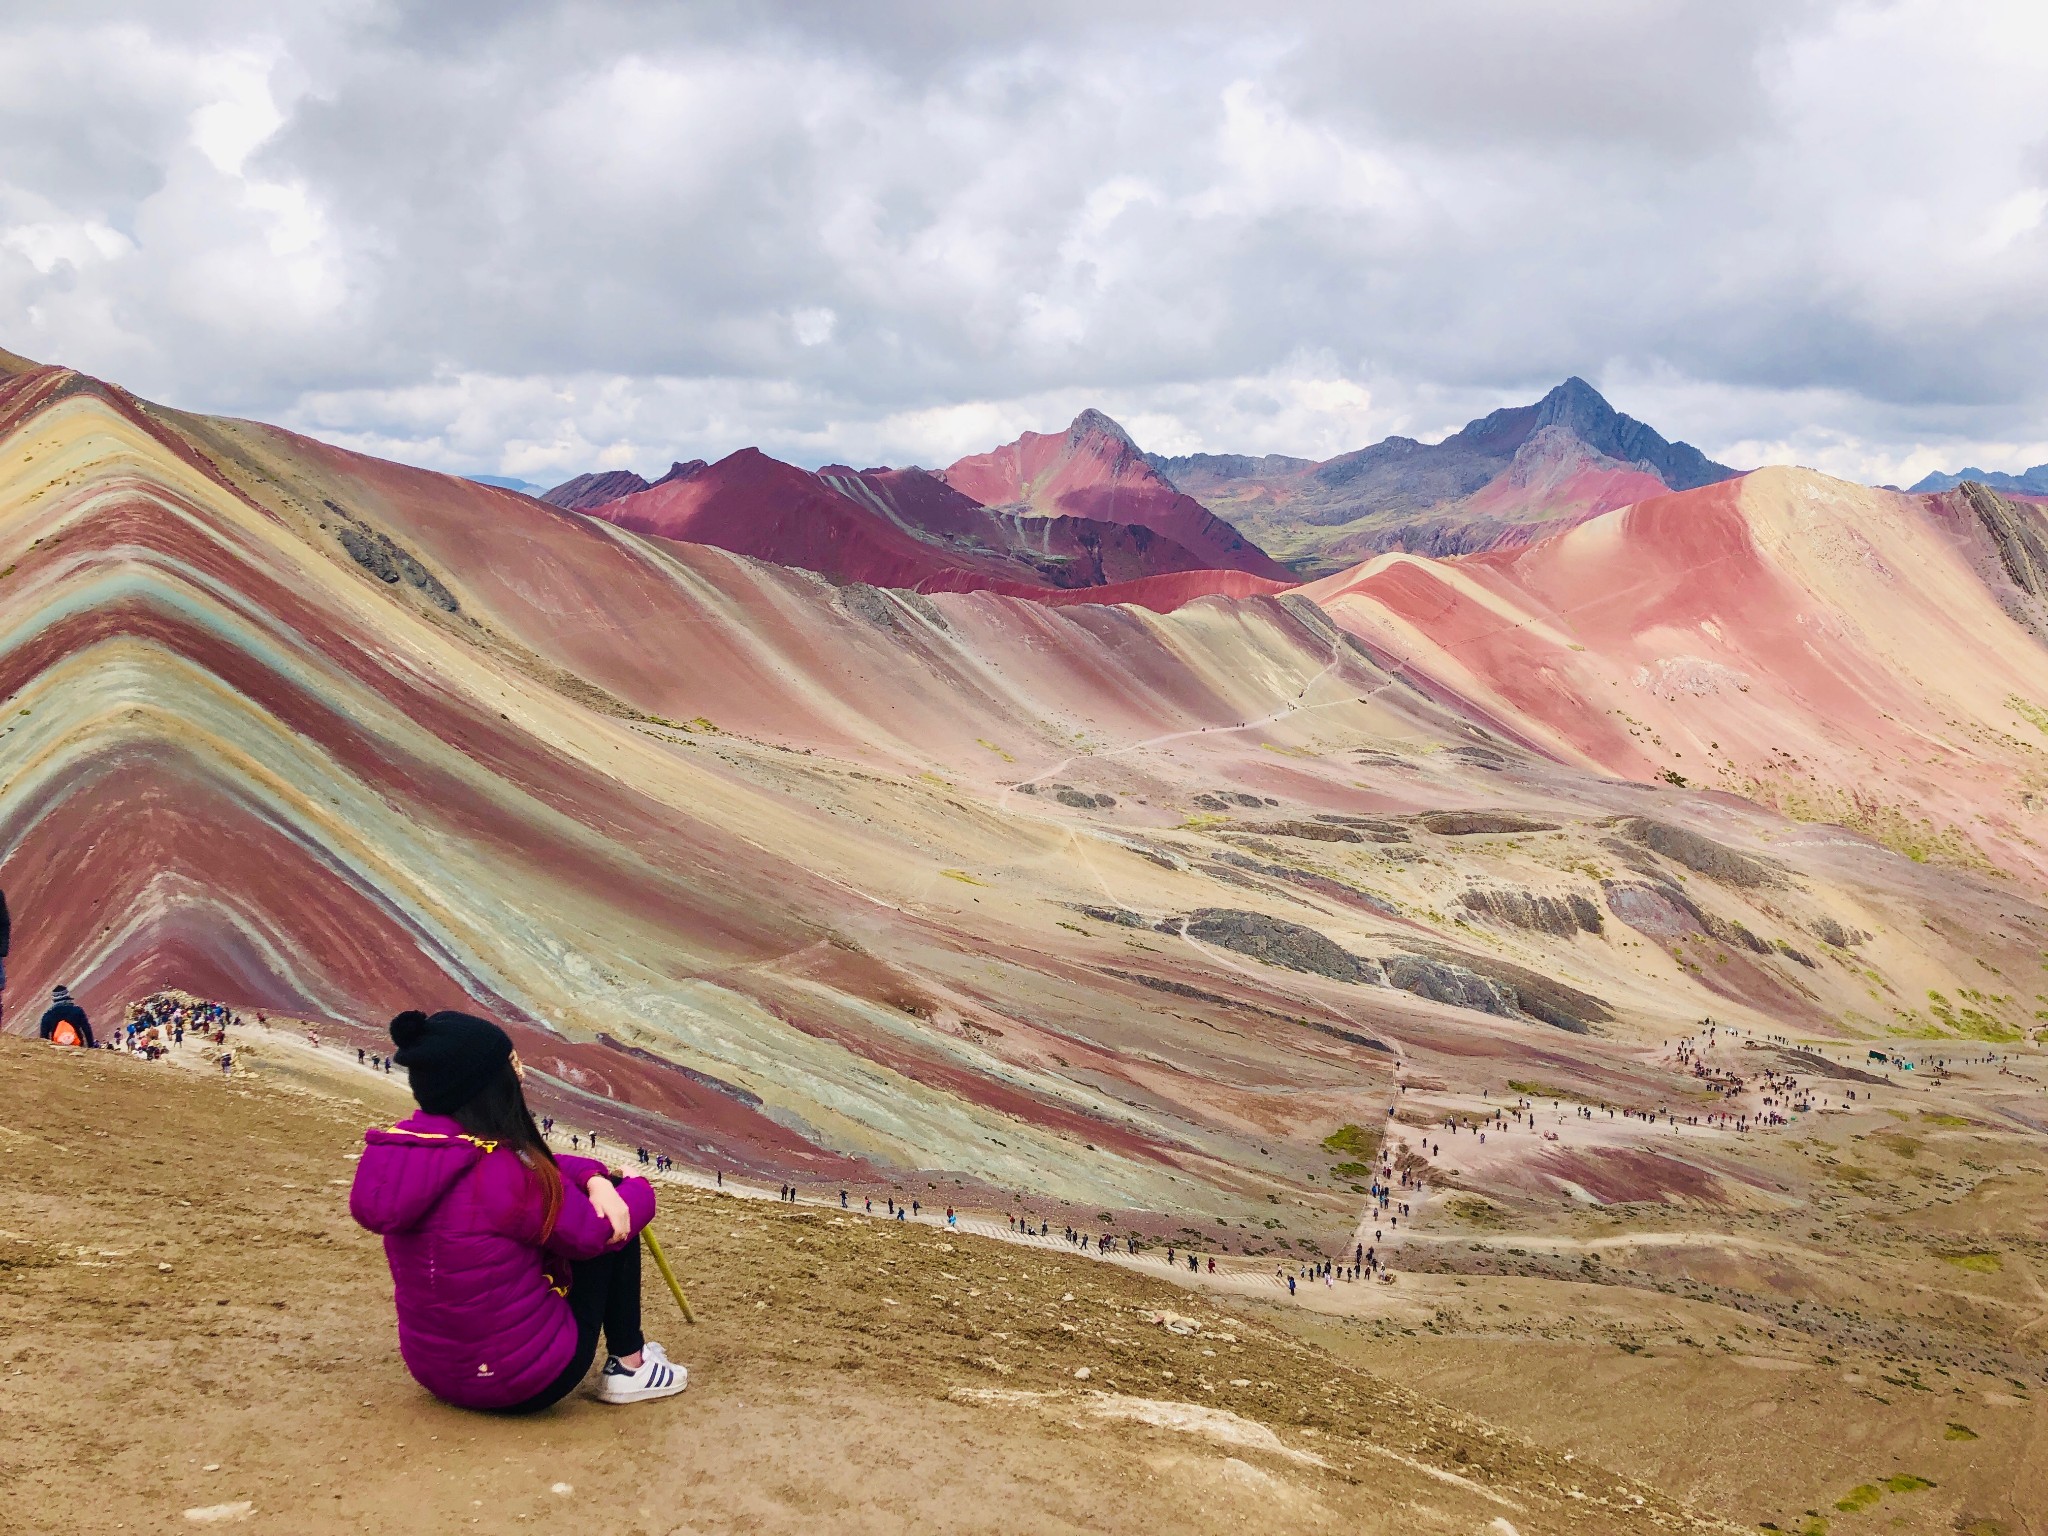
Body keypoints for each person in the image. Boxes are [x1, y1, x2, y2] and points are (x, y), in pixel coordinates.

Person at [349, 1009, 685, 1413]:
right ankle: (631, 1367)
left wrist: (591, 1174)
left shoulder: (406, 1152)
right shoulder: (504, 1172)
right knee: (614, 1219)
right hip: (522, 1381)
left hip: (436, 1372)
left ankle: (630, 1363)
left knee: (598, 1196)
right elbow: (598, 1232)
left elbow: (537, 1168)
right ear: (488, 1084)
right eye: (511, 1066)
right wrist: (633, 1189)